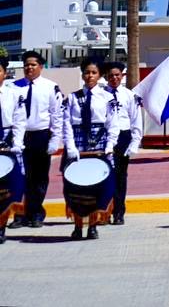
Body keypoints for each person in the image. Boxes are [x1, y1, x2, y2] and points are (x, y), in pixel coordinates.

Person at [58, 58, 119, 240]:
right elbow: (66, 124)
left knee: (95, 187)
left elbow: (112, 124)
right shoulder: (73, 97)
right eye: (86, 72)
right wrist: (70, 147)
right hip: (78, 143)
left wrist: (109, 146)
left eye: (93, 72)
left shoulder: (108, 98)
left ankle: (93, 226)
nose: (89, 76)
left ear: (99, 75)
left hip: (99, 143)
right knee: (76, 186)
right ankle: (77, 226)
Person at [13, 51, 61, 228]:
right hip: (19, 137)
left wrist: (55, 139)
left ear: (41, 66)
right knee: (19, 177)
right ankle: (19, 215)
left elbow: (56, 115)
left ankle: (36, 213)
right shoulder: (14, 87)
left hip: (41, 135)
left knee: (39, 178)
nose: (29, 67)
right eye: (26, 64)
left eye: (33, 64)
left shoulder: (50, 87)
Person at [99, 62, 142, 225]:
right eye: (111, 75)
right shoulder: (101, 95)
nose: (114, 78)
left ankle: (119, 212)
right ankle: (104, 211)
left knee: (120, 177)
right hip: (106, 137)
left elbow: (136, 119)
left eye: (117, 75)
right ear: (106, 77)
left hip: (123, 136)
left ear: (122, 76)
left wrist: (135, 142)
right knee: (105, 176)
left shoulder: (129, 95)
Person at [0, 61, 26, 244]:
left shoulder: (13, 94)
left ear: (4, 73)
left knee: (6, 189)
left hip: (8, 141)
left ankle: (1, 227)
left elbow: (19, 120)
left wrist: (17, 143)